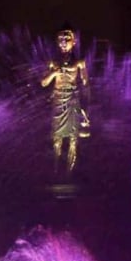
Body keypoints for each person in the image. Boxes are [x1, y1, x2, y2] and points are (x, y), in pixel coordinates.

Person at [40, 23, 90, 172]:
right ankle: (56, 168)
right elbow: (43, 83)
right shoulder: (53, 63)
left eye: (66, 38)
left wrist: (86, 110)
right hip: (58, 100)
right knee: (57, 137)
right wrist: (55, 73)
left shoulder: (80, 62)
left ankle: (70, 171)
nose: (63, 42)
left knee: (74, 138)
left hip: (73, 100)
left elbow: (86, 85)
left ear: (73, 42)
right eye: (60, 38)